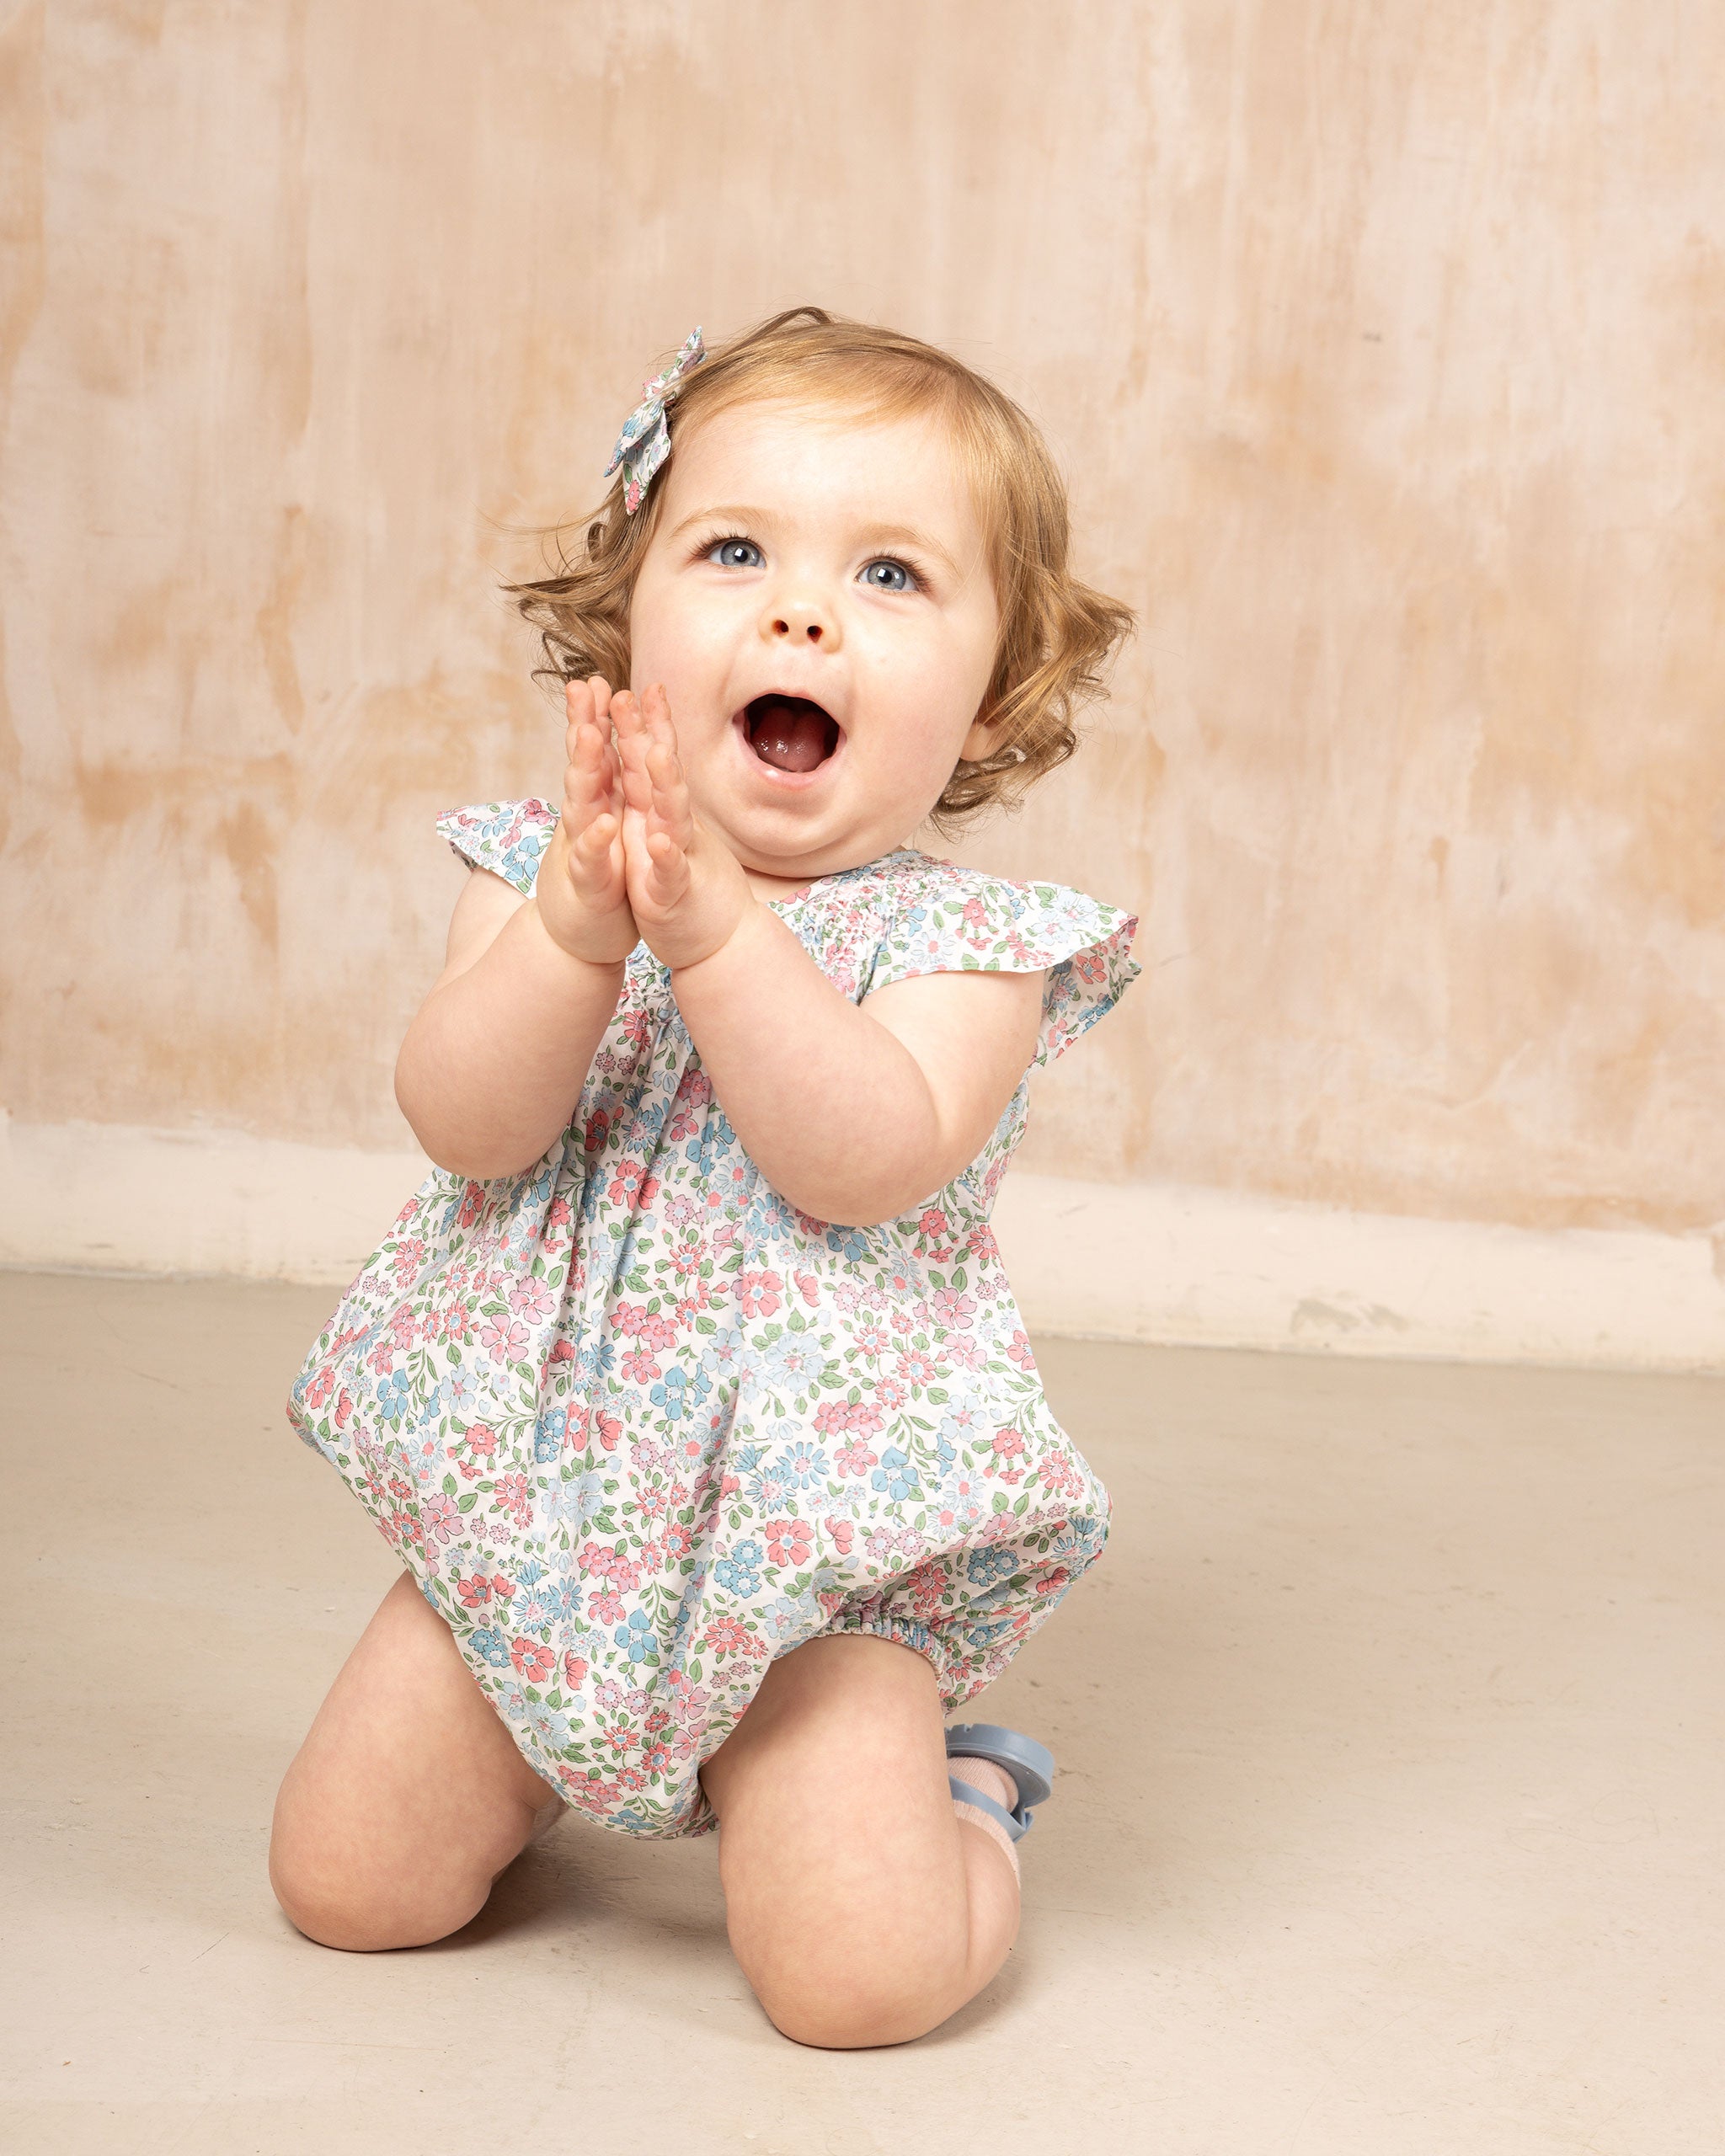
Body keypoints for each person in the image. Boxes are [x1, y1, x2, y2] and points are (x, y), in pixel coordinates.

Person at [272, 307, 1140, 2047]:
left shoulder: (970, 945)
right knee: (349, 1885)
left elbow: (861, 1158)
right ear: (628, 622)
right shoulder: (542, 874)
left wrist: (724, 937)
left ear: (993, 696)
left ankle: (964, 1801)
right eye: (735, 548)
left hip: (815, 1565)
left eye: (892, 575)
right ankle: (535, 1761)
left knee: (855, 1983)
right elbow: (465, 1117)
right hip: (532, 1515)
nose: (802, 609)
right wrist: (581, 932)